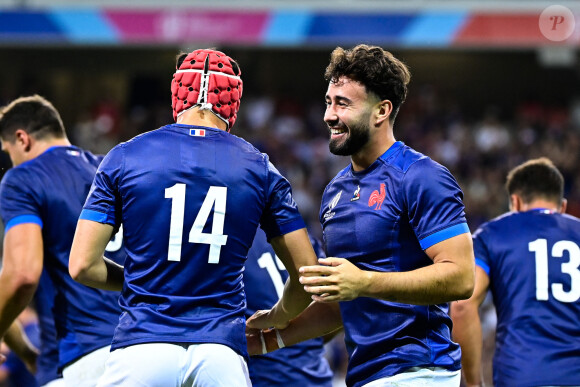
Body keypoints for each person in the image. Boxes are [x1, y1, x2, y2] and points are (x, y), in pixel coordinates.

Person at [68, 48, 319, 386]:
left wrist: (139, 281)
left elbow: (82, 265)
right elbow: (306, 275)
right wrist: (279, 316)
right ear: (232, 99)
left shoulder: (124, 156)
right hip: (221, 353)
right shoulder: (260, 167)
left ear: (178, 93)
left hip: (143, 345)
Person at [247, 44, 475, 387]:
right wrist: (274, 338)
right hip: (367, 375)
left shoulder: (420, 176)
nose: (329, 115)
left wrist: (364, 282)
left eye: (343, 104)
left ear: (381, 110)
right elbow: (345, 300)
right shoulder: (334, 192)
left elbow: (460, 277)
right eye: (328, 102)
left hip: (419, 371)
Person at [0, 95, 126, 386]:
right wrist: (29, 355)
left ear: (22, 139)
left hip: (84, 355)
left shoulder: (24, 178)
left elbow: (21, 275)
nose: (12, 161)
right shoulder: (110, 170)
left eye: (8, 152)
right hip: (145, 345)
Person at [450, 157, 580, 387]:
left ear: (515, 202)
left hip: (520, 374)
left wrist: (473, 382)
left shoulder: (492, 234)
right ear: (562, 206)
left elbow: (462, 305)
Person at [244, 228, 333, 387]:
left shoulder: (229, 237)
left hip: (262, 376)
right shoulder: (300, 235)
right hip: (315, 376)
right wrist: (303, 336)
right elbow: (337, 307)